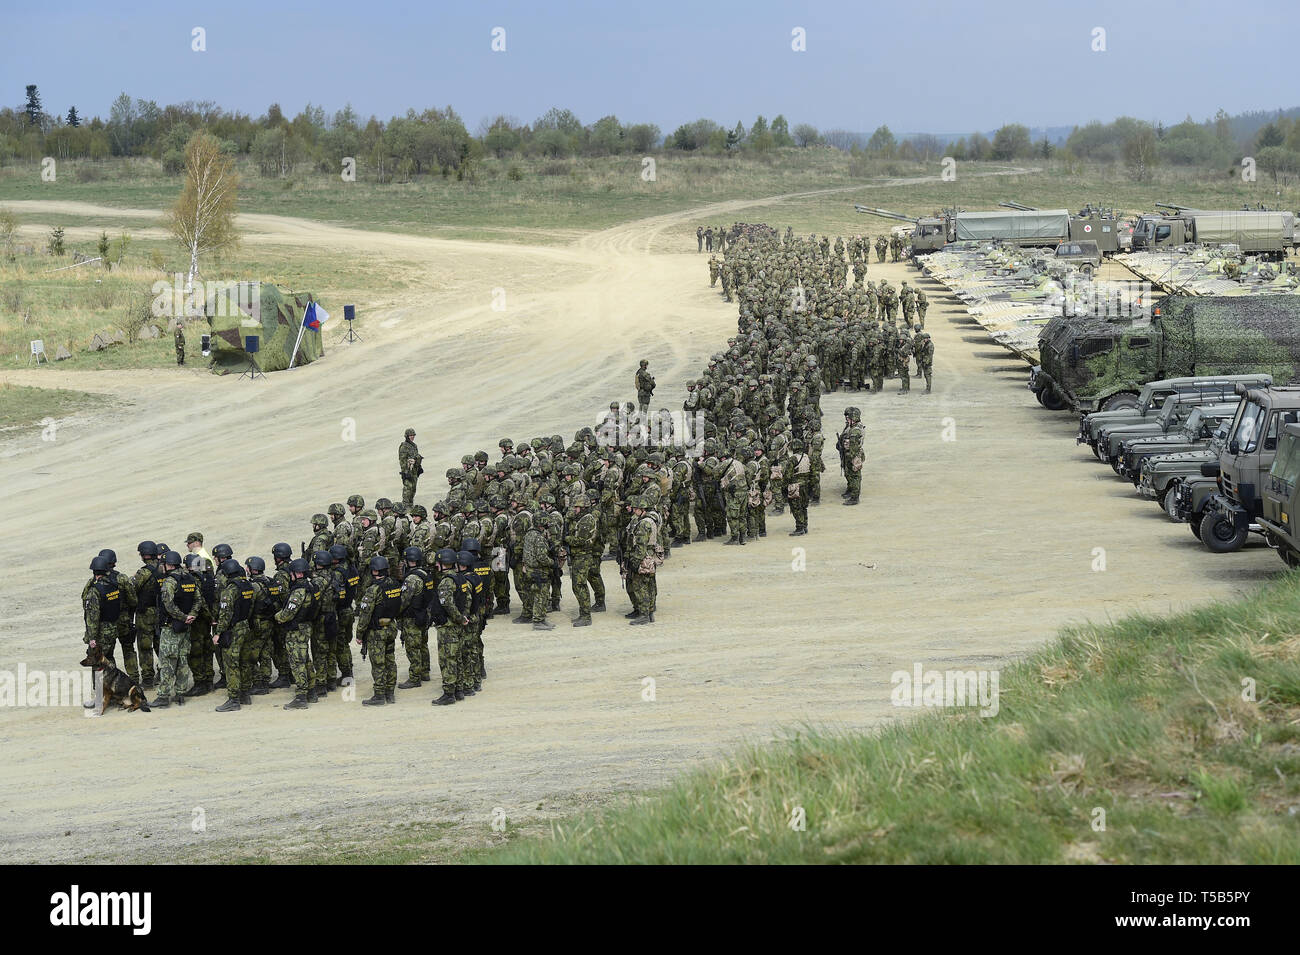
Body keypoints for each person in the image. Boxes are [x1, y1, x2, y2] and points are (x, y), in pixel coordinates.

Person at [150, 550, 200, 708]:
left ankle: (163, 696)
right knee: (183, 661)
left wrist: (183, 617)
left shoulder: (170, 581)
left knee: (167, 663)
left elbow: (168, 605)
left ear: (169, 565)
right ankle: (180, 694)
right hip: (185, 628)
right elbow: (198, 600)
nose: (161, 567)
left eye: (163, 564)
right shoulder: (189, 578)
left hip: (171, 627)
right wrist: (191, 615)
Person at [355, 556, 401, 707]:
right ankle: (390, 692)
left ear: (374, 571)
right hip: (391, 627)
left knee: (378, 663)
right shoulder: (394, 584)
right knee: (390, 660)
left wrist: (359, 634)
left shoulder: (373, 590)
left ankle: (379, 695)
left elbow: (365, 614)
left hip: (377, 632)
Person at [212, 558, 255, 712]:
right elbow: (250, 608)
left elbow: (225, 615)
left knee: (231, 664)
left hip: (233, 630)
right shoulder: (247, 585)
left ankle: (233, 699)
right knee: (244, 661)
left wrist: (218, 633)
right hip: (245, 627)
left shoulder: (229, 590)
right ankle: (245, 694)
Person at [431, 548, 472, 706]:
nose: (435, 565)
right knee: (458, 657)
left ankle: (449, 693)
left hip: (448, 626)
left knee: (447, 659)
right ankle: (459, 690)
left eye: (437, 563)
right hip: (458, 625)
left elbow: (447, 604)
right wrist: (464, 617)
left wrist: (459, 618)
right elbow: (468, 599)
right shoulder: (461, 578)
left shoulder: (446, 581)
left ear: (442, 564)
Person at [274, 558, 316, 710]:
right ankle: (311, 690)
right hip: (305, 627)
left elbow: (288, 613)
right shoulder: (311, 586)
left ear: (297, 574)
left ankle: (301, 696)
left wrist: (277, 617)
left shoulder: (298, 591)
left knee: (297, 662)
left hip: (296, 630)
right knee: (305, 659)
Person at [563, 493, 605, 626]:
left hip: (582, 556)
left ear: (584, 507)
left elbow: (580, 540)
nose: (575, 509)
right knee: (577, 585)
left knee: (580, 585)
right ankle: (584, 613)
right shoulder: (581, 519)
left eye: (577, 507)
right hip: (579, 556)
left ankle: (586, 616)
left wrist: (567, 539)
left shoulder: (587, 520)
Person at [399, 428, 423, 505]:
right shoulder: (404, 446)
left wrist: (419, 467)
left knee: (413, 489)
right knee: (407, 490)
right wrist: (405, 472)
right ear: (407, 436)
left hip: (414, 471)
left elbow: (416, 456)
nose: (412, 437)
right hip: (408, 471)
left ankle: (410, 504)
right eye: (410, 435)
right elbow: (402, 460)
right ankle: (405, 505)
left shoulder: (414, 446)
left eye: (413, 435)